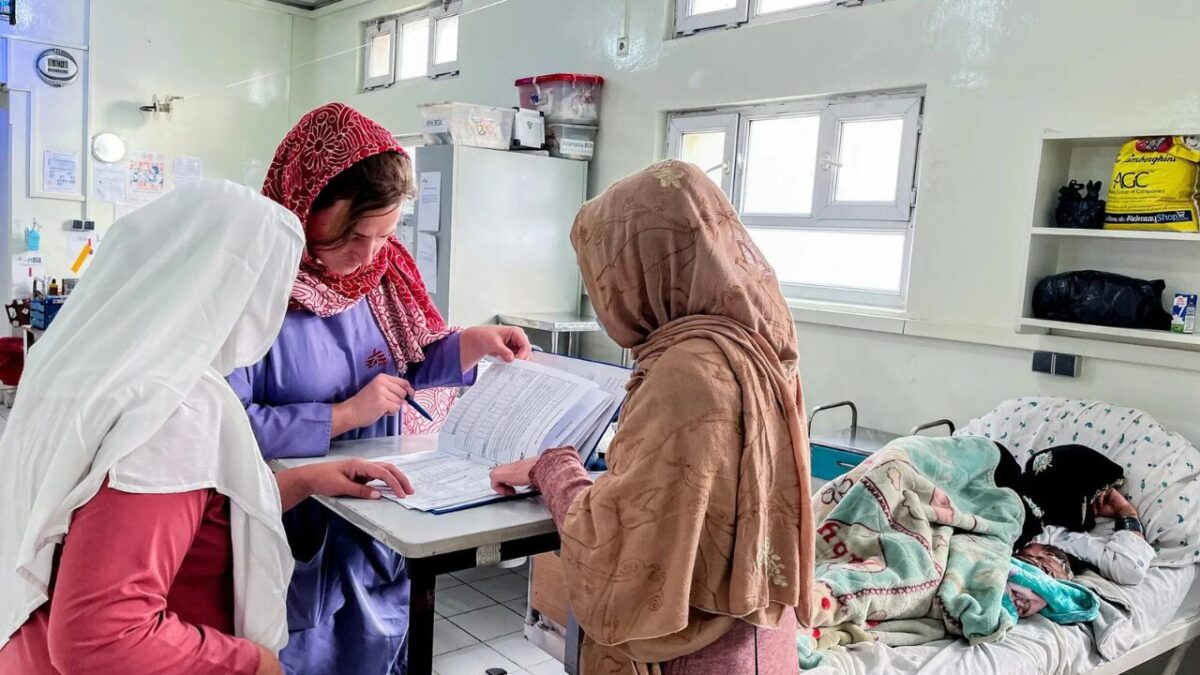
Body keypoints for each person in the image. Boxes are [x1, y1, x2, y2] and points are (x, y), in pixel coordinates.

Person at [0, 181, 416, 674]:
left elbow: (170, 511)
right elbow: (103, 637)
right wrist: (254, 664)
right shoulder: (175, 407)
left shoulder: (73, 371)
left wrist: (301, 482)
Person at [230, 102, 531, 674]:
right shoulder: (252, 289)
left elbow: (408, 363)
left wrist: (471, 343)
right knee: (299, 650)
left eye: (384, 236)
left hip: (378, 526)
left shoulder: (381, 277)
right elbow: (225, 423)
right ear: (304, 205)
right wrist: (344, 415)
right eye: (352, 235)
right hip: (291, 524)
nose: (367, 256)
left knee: (379, 649)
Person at [490, 161, 814, 674]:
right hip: (761, 642)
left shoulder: (686, 373)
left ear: (641, 268)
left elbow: (620, 549)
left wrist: (552, 468)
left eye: (604, 276)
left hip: (691, 654)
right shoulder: (759, 343)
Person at [1016, 444, 1156, 585]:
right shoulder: (1025, 515)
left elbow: (1129, 568)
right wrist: (1126, 511)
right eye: (1093, 493)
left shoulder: (1061, 537)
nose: (1097, 505)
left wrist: (1126, 512)